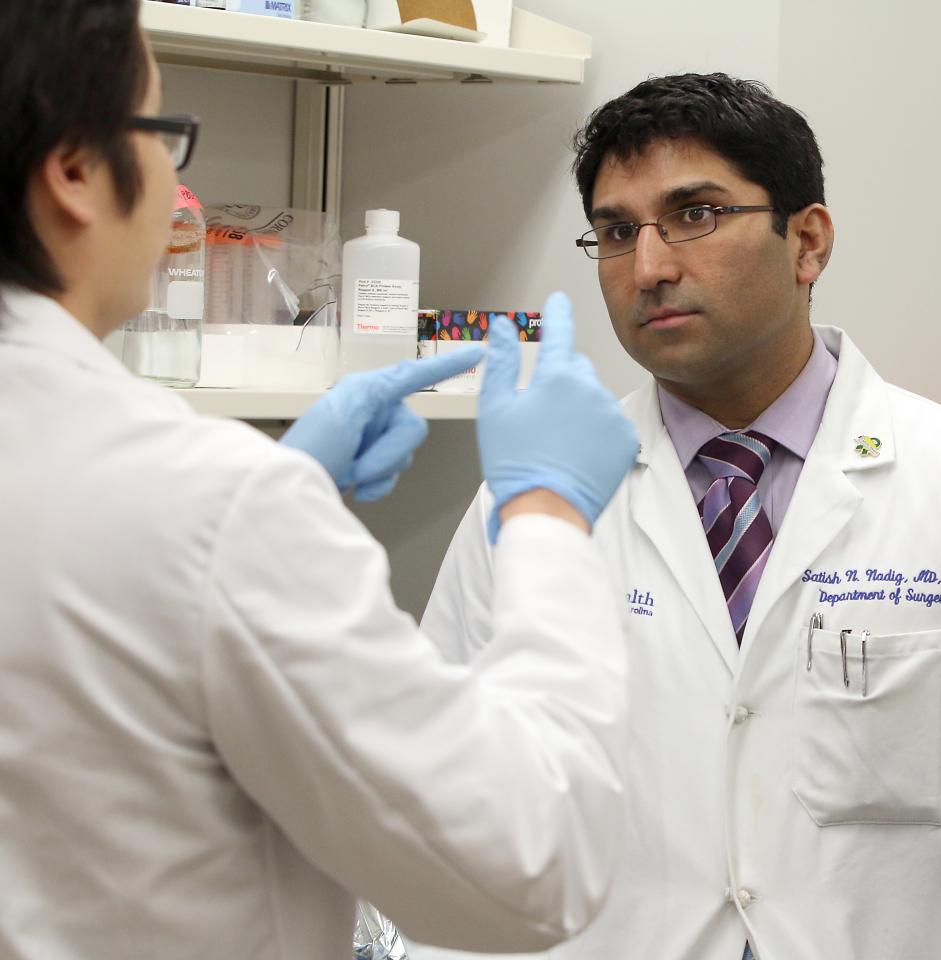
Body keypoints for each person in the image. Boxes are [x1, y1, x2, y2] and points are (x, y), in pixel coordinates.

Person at [423, 72, 941, 960]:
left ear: (810, 241)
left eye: (696, 214)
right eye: (615, 231)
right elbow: (451, 803)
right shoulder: (531, 504)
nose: (651, 266)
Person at [0, 1, 640, 956]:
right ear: (77, 173)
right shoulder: (201, 503)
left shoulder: (175, 491)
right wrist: (546, 509)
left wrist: (276, 491)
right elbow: (530, 861)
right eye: (164, 134)